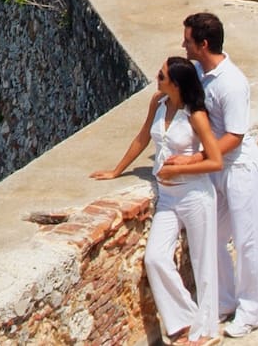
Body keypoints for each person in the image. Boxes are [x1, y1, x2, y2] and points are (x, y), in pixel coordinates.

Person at [92, 56, 224, 346]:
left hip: (194, 194)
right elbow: (142, 138)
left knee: (203, 263)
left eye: (162, 75)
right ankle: (185, 321)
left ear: (176, 83)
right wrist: (117, 170)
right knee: (155, 258)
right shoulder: (159, 102)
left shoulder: (195, 115)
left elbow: (215, 161)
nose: (157, 77)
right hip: (167, 196)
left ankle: (207, 331)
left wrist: (179, 167)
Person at [184, 11, 258, 339]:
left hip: (240, 170)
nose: (184, 44)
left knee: (248, 243)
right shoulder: (199, 73)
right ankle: (223, 300)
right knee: (213, 237)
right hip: (218, 168)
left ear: (203, 44)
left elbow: (235, 136)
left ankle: (251, 311)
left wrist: (197, 159)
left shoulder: (232, 83)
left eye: (188, 40)